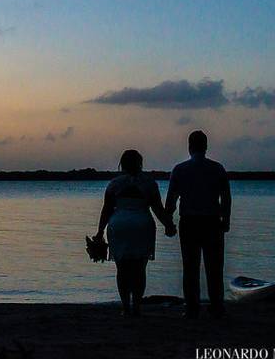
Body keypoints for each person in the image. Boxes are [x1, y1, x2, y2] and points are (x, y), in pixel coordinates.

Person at [95, 149, 176, 316]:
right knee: (140, 268)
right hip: (142, 224)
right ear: (140, 163)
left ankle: (125, 307)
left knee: (122, 268)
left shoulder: (114, 184)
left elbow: (107, 210)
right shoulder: (149, 184)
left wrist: (99, 231)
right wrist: (169, 225)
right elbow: (157, 209)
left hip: (120, 225)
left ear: (122, 164)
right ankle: (137, 306)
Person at [165, 130, 231, 319]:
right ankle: (217, 305)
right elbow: (226, 198)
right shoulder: (217, 169)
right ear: (206, 146)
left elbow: (172, 199)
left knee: (190, 266)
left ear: (189, 146)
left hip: (190, 222)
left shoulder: (180, 169)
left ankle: (192, 307)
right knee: (215, 267)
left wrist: (168, 221)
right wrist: (226, 220)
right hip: (212, 222)